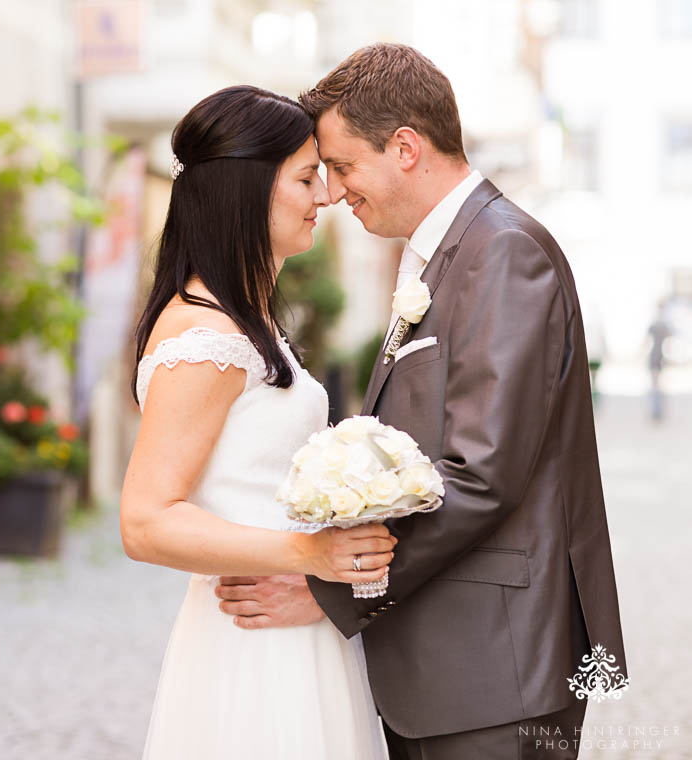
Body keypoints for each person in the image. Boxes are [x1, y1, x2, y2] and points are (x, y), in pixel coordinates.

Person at [214, 44, 628, 760]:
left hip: (496, 666)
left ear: (405, 147)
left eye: (342, 166)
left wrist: (332, 589)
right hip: (451, 663)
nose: (336, 191)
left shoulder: (502, 253)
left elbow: (480, 471)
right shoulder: (447, 254)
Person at [120, 85, 393, 759]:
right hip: (253, 645)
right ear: (247, 189)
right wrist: (305, 555)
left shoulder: (251, 322)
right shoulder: (202, 334)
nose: (326, 197)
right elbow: (145, 521)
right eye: (306, 177)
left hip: (296, 621)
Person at [647, 302, 672, 421]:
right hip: (659, 356)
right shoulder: (663, 325)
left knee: (656, 384)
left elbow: (646, 342)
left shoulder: (657, 325)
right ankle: (657, 410)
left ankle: (657, 410)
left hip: (656, 356)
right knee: (658, 384)